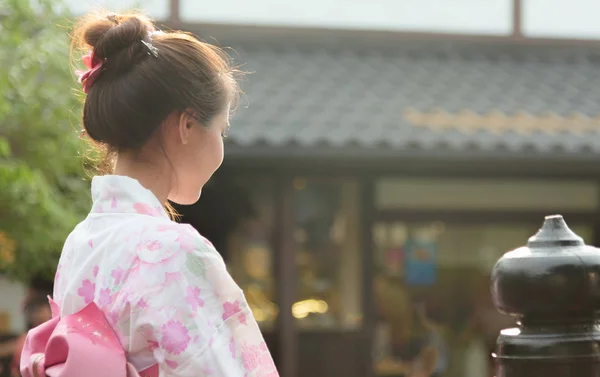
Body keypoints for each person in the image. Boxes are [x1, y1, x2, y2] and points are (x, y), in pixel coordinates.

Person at [20, 11, 277, 377]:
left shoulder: (82, 243)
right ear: (186, 125)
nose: (222, 146)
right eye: (221, 131)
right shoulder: (174, 251)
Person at [11, 294, 52, 377]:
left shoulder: (56, 332)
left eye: (40, 310)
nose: (37, 314)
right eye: (34, 311)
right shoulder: (27, 336)